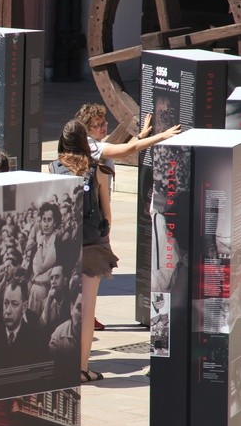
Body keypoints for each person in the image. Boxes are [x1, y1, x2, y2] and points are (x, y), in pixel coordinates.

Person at [76, 103, 181, 330]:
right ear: (87, 129)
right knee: (92, 269)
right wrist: (163, 136)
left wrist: (142, 135)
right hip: (93, 220)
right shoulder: (90, 147)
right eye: (98, 125)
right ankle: (85, 316)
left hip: (97, 216)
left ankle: (87, 313)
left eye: (104, 123)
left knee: (92, 270)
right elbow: (123, 151)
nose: (104, 127)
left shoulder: (95, 144)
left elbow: (118, 147)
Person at [50, 119, 118, 382]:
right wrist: (105, 239)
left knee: (65, 307)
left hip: (64, 247)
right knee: (87, 310)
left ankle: (61, 365)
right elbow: (107, 212)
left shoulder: (54, 168)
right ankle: (81, 368)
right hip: (91, 246)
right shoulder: (97, 169)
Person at [0, 278, 45, 369]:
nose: (8, 311)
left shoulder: (36, 341)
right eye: (6, 303)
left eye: (14, 304)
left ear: (24, 307)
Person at [27, 202, 61, 317]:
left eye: (49, 220)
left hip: (46, 292)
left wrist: (39, 244)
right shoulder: (41, 240)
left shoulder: (56, 242)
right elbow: (33, 270)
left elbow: (41, 268)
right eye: (44, 220)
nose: (46, 224)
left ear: (55, 222)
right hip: (33, 290)